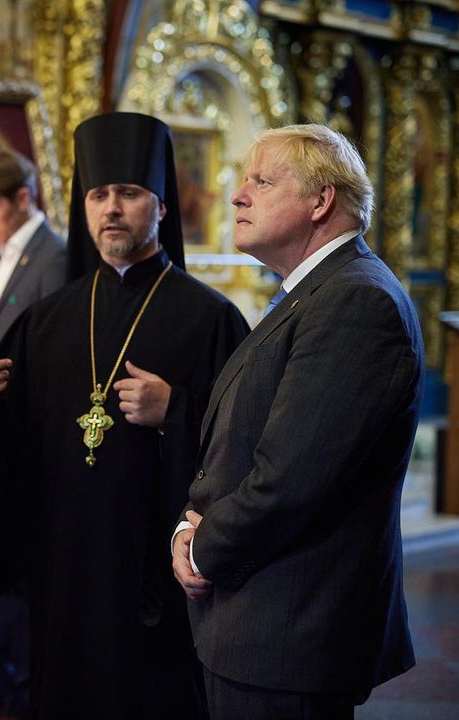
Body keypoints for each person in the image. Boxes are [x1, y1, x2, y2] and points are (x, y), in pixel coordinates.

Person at [0, 112, 250, 718]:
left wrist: (177, 411)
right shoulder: (46, 320)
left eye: (128, 193)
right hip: (63, 562)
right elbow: (6, 445)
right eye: (98, 195)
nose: (111, 209)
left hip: (153, 570)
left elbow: (247, 439)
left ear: (161, 206)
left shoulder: (212, 319)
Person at [172, 124, 422, 719]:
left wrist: (200, 547)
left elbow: (290, 479)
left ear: (321, 200)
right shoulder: (316, 293)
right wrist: (189, 525)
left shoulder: (355, 301)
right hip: (267, 620)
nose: (237, 195)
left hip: (289, 630)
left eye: (261, 181)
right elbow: (247, 438)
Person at [0, 150, 65, 720]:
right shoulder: (3, 255)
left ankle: (23, 697)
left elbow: (52, 352)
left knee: (23, 591)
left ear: (22, 199)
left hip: (29, 437)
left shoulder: (55, 256)